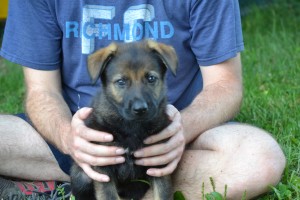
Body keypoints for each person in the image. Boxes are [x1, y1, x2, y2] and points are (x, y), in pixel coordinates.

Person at [0, 0, 286, 199]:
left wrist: (182, 128)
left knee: (260, 158)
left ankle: (63, 186)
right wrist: (68, 137)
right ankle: (79, 181)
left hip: (174, 145)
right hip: (76, 134)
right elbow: (41, 91)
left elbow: (226, 84)